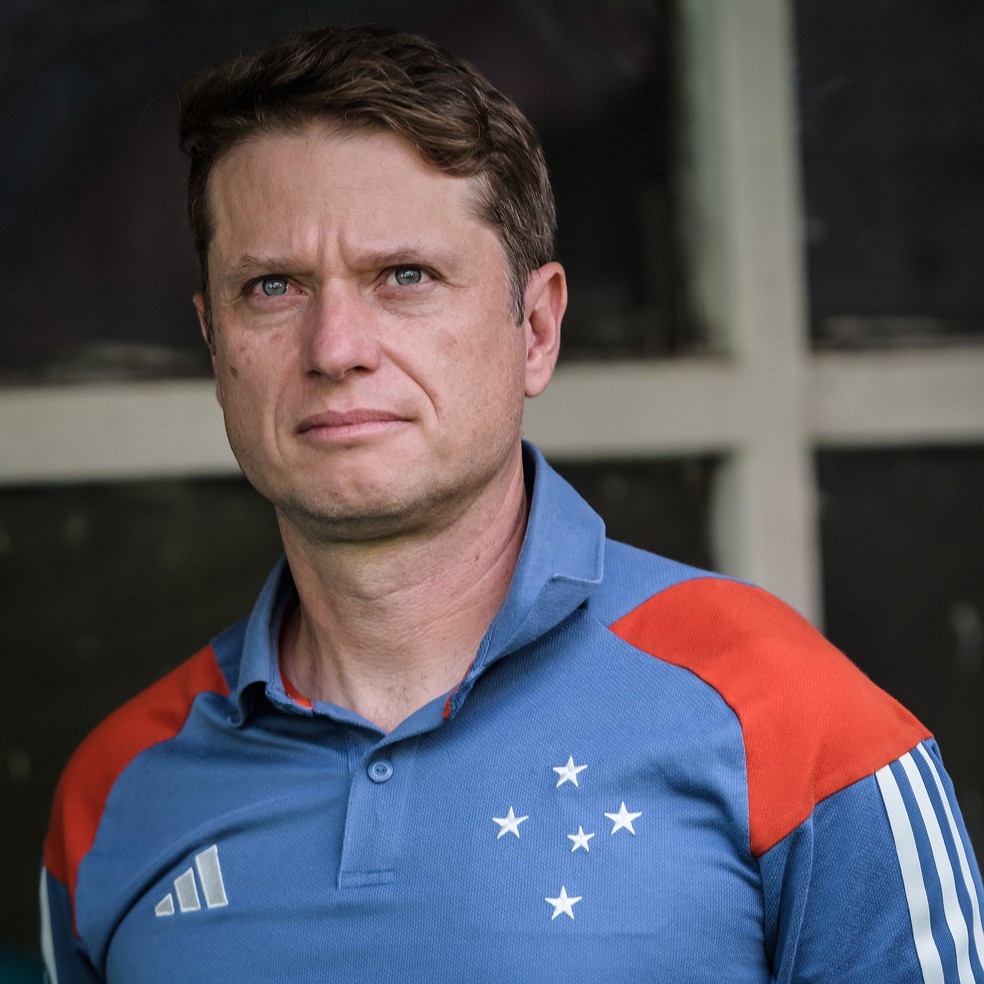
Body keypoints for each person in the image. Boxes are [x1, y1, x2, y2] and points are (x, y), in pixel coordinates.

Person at [41, 24, 983, 984]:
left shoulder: (788, 714)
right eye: (272, 287)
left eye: (405, 276)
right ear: (215, 343)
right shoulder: (115, 795)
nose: (334, 349)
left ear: (535, 328)